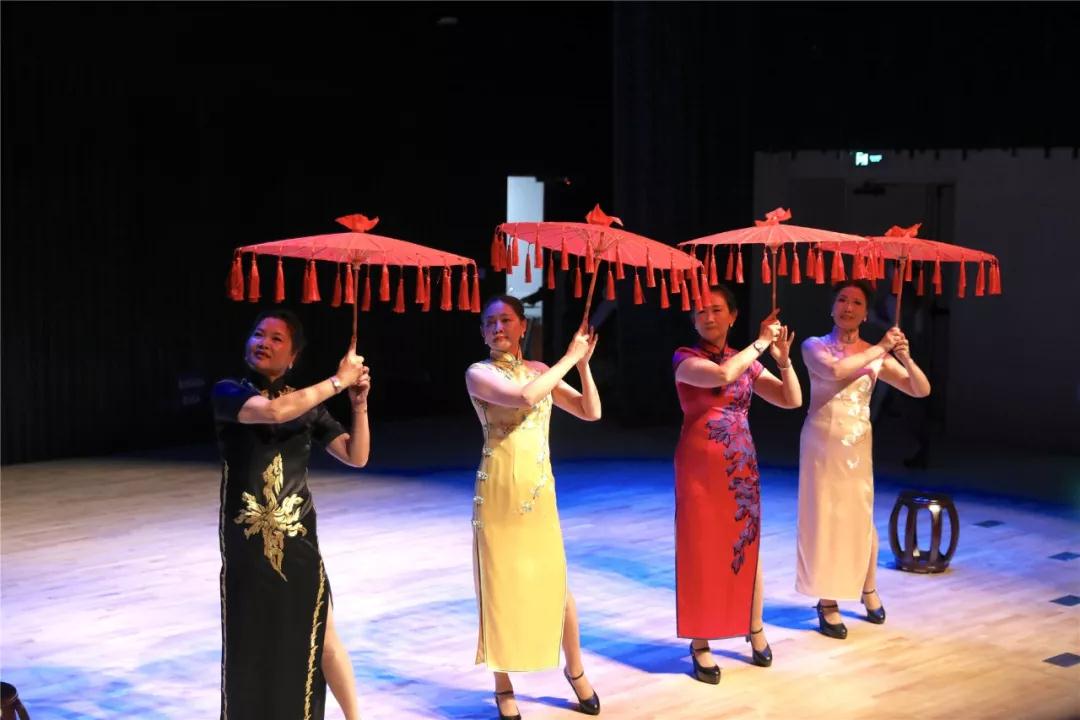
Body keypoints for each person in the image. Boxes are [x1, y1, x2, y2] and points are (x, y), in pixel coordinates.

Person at [212, 309, 371, 720]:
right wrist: (337, 381)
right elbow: (273, 413)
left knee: (323, 636)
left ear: (293, 356)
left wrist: (358, 404)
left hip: (298, 541)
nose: (263, 342)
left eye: (276, 338)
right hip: (248, 544)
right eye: (258, 334)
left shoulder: (308, 405)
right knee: (252, 639)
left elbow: (356, 455)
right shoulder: (229, 392)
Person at [464, 295, 602, 720]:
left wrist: (583, 365)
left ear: (523, 326)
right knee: (499, 588)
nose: (498, 328)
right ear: (483, 332)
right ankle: (503, 685)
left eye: (506, 320)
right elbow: (524, 397)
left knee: (558, 587)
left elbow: (590, 411)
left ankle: (576, 670)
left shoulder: (541, 371)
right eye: (490, 323)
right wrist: (569, 357)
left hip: (540, 492)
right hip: (499, 492)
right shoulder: (479, 373)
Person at [672, 285, 802, 683]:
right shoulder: (685, 358)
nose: (708, 317)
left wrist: (783, 361)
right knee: (699, 551)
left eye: (716, 310)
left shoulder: (746, 359)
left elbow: (791, 399)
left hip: (741, 468)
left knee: (745, 547)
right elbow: (723, 375)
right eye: (701, 311)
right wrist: (761, 342)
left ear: (732, 315)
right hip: (699, 468)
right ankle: (700, 641)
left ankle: (754, 625)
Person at [796, 280, 931, 638]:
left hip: (857, 445)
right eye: (842, 300)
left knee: (860, 518)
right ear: (832, 307)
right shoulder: (814, 346)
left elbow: (920, 389)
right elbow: (836, 371)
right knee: (825, 518)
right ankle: (827, 600)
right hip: (821, 444)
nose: (848, 307)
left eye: (857, 303)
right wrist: (882, 348)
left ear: (866, 313)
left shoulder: (874, 354)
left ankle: (867, 587)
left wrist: (903, 356)